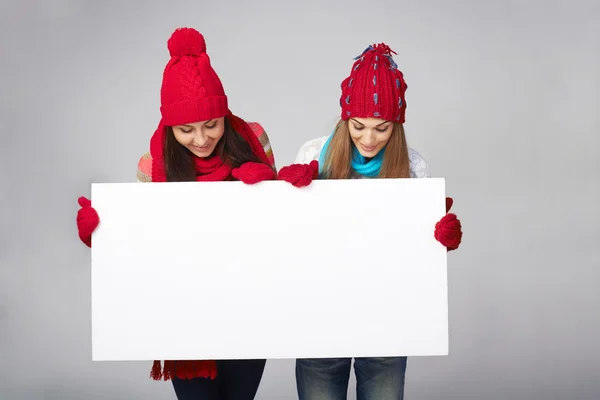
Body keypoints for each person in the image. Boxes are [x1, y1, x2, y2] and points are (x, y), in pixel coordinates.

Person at [75, 27, 277, 400]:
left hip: (246, 302)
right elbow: (139, 239)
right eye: (186, 129)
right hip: (184, 310)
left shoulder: (254, 138)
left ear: (224, 115)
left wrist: (272, 184)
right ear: (171, 126)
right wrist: (100, 235)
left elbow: (279, 225)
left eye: (211, 125)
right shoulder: (153, 164)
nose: (201, 139)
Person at [276, 43, 463, 399]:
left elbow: (417, 255)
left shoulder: (413, 167)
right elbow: (291, 241)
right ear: (345, 119)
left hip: (386, 314)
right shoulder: (314, 155)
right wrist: (287, 199)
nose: (369, 139)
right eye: (359, 126)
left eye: (382, 128)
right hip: (322, 312)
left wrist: (437, 237)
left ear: (397, 126)